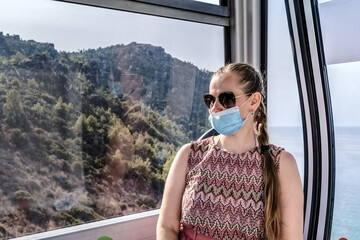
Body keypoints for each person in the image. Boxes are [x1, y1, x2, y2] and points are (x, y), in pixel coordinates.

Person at [156, 63, 303, 240]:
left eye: (226, 99)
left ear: (254, 101)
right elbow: (167, 226)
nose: (215, 108)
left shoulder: (282, 163)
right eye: (211, 100)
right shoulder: (189, 155)